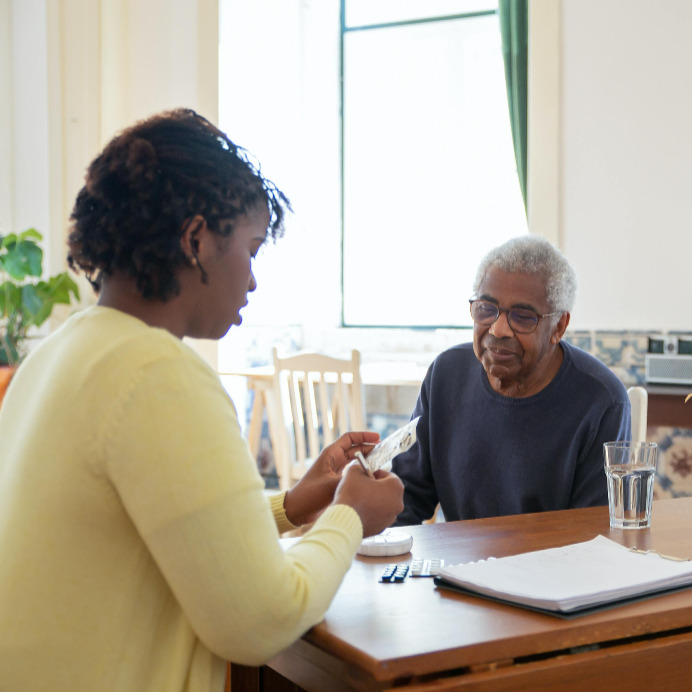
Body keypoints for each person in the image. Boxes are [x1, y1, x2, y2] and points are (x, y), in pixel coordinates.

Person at [0, 109, 404, 691]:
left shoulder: (57, 355)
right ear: (196, 240)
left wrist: (294, 504)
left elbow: (153, 528)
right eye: (252, 248)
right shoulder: (158, 374)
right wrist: (349, 516)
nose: (254, 279)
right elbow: (261, 621)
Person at [392, 235, 630, 525]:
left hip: (552, 567)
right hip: (456, 566)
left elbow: (592, 534)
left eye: (523, 316)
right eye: (486, 309)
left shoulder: (602, 401)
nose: (499, 328)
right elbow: (405, 499)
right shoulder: (446, 374)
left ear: (559, 326)